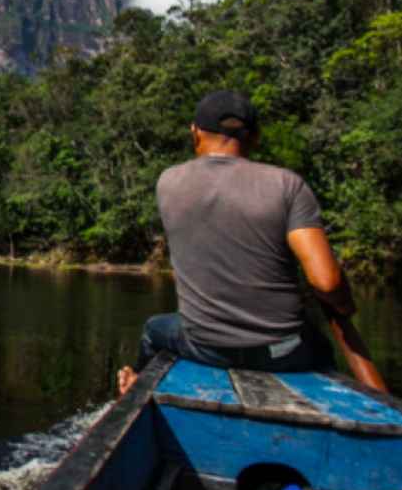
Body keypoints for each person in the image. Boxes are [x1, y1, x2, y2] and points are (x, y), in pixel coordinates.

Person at [117, 90, 358, 395]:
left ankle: (138, 391)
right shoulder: (288, 185)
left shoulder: (168, 183)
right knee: (318, 344)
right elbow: (326, 283)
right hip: (283, 353)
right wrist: (345, 306)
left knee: (154, 330)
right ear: (255, 137)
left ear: (195, 132)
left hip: (205, 346)